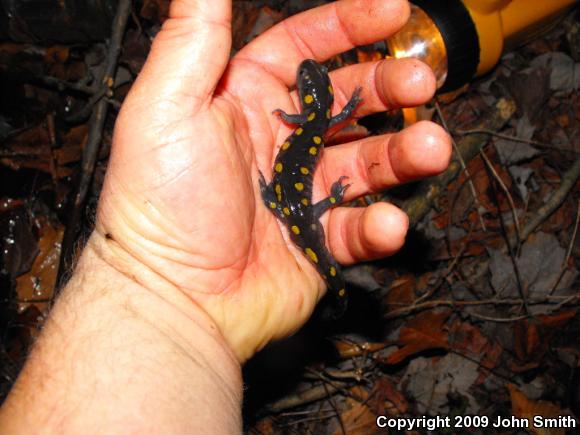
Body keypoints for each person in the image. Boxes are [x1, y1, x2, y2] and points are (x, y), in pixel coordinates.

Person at [0, 0, 451, 432]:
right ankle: (336, 285)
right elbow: (331, 118)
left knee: (292, 209)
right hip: (296, 209)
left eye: (311, 81)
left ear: (316, 97)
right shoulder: (314, 121)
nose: (305, 78)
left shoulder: (305, 121)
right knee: (296, 212)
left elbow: (310, 127)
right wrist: (335, 126)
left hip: (294, 208)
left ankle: (336, 285)